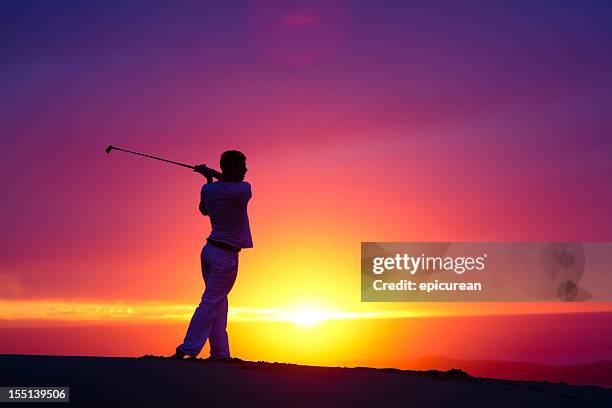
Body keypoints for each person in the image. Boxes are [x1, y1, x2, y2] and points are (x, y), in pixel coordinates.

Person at [172, 150, 253, 360]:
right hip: (225, 256)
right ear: (232, 168)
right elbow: (228, 183)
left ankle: (220, 353)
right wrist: (211, 174)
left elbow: (203, 210)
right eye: (242, 165)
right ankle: (187, 348)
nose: (246, 169)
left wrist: (208, 177)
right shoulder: (243, 190)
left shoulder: (208, 189)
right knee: (210, 303)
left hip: (209, 252)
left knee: (218, 303)